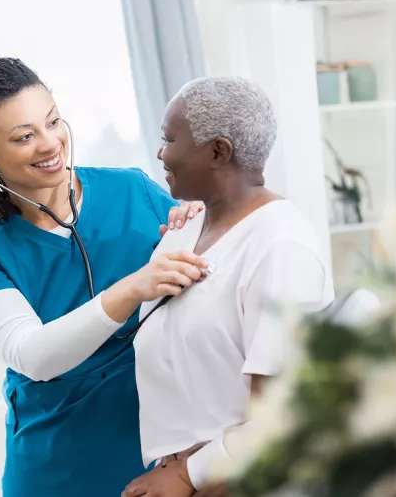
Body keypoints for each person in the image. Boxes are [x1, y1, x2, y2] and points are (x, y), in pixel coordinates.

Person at [0, 57, 206, 497]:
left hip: (166, 454)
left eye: (53, 122)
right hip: (61, 468)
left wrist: (199, 225)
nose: (50, 144)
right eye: (24, 136)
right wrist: (135, 285)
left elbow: (213, 282)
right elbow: (33, 356)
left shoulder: (133, 190)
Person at [122, 77, 335, 497]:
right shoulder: (183, 230)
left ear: (218, 150)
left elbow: (284, 416)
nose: (161, 153)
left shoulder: (281, 246)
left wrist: (189, 475)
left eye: (169, 139)